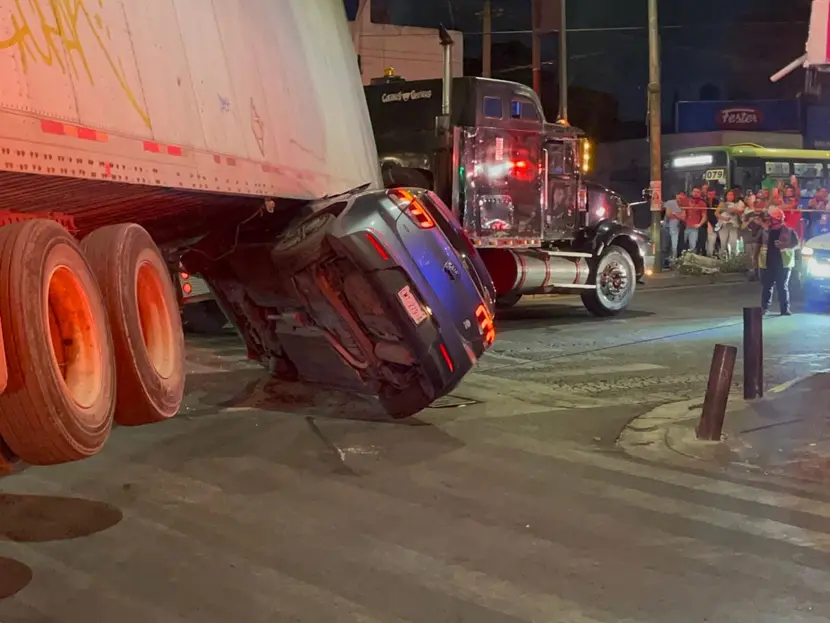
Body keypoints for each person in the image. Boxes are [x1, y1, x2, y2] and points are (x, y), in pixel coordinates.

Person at [759, 207, 799, 316]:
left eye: (770, 218)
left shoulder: (789, 231)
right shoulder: (766, 231)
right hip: (768, 263)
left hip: (783, 263)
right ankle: (764, 308)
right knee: (767, 286)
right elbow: (759, 244)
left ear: (776, 219)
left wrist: (784, 245)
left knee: (782, 287)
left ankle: (784, 309)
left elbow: (796, 244)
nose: (769, 220)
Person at [740, 193, 764, 281]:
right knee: (750, 256)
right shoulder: (748, 215)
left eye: (760, 205)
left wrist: (760, 223)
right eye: (756, 205)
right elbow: (742, 227)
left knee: (758, 257)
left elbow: (768, 227)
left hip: (760, 239)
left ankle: (759, 273)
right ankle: (752, 272)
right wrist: (749, 222)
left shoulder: (764, 215)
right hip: (749, 238)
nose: (758, 207)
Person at [715, 189, 743, 256]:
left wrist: (736, 211)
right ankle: (722, 257)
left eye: (732, 195)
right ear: (726, 196)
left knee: (733, 242)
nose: (731, 196)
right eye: (729, 194)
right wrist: (724, 218)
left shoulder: (737, 204)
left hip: (733, 225)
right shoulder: (722, 204)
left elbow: (741, 213)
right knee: (723, 243)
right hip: (724, 225)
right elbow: (716, 213)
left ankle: (733, 258)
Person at [662, 190, 686, 260]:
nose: (681, 197)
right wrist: (678, 215)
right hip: (666, 227)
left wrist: (675, 214)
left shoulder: (684, 205)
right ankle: (664, 262)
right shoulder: (670, 202)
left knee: (674, 246)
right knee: (665, 246)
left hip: (675, 229)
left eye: (683, 195)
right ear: (676, 196)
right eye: (680, 195)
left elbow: (683, 218)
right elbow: (668, 214)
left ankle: (673, 260)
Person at [683, 187, 707, 253]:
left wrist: (699, 224)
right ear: (691, 192)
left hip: (694, 228)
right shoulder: (686, 201)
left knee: (692, 246)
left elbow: (704, 216)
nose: (695, 193)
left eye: (697, 192)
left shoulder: (702, 203)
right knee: (681, 244)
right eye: (694, 191)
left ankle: (690, 261)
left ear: (700, 193)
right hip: (684, 226)